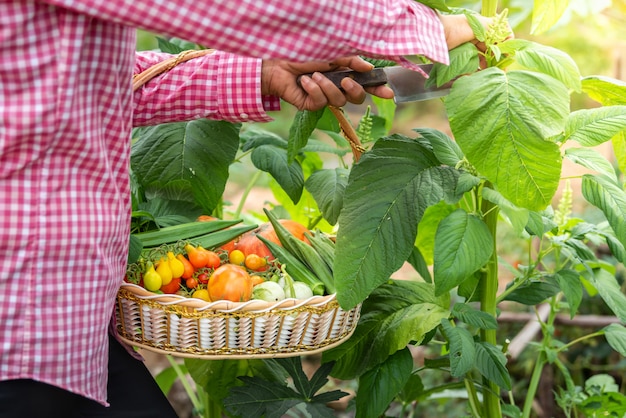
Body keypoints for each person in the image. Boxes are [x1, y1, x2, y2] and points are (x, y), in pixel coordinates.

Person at [0, 1, 501, 416]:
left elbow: (98, 84)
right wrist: (427, 26)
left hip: (63, 321)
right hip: (21, 320)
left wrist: (264, 73)